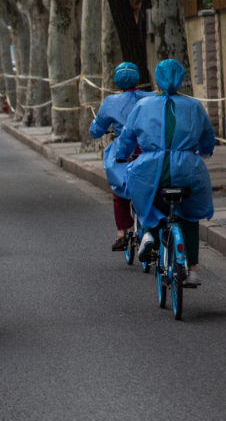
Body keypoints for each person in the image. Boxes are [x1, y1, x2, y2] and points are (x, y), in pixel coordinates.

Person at [112, 59, 214, 287]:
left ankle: (148, 234)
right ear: (180, 78)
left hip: (150, 168)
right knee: (189, 215)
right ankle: (194, 269)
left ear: (157, 79)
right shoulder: (195, 106)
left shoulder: (143, 106)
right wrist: (205, 152)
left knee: (143, 194)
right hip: (189, 169)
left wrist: (121, 155)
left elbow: (127, 138)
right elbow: (208, 139)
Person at [90, 62, 154, 251]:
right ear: (138, 78)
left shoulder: (110, 101)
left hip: (125, 152)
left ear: (116, 80)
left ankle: (121, 233)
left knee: (120, 189)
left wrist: (96, 125)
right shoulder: (151, 98)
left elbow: (96, 130)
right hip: (148, 149)